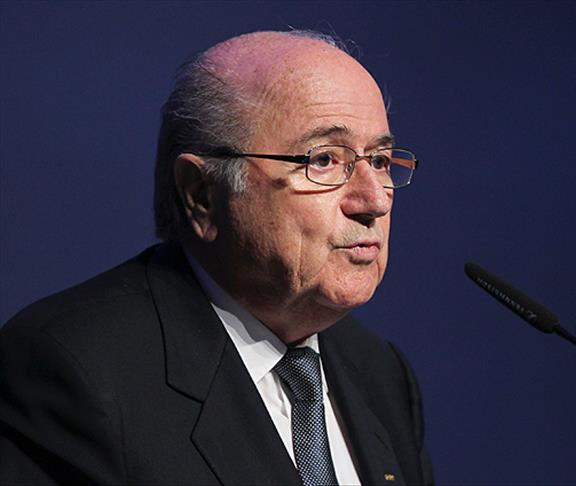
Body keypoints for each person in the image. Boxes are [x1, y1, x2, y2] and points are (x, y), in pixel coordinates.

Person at [0, 31, 432, 485]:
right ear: (202, 195)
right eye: (323, 159)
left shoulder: (380, 372)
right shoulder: (74, 370)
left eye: (380, 161)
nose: (373, 201)